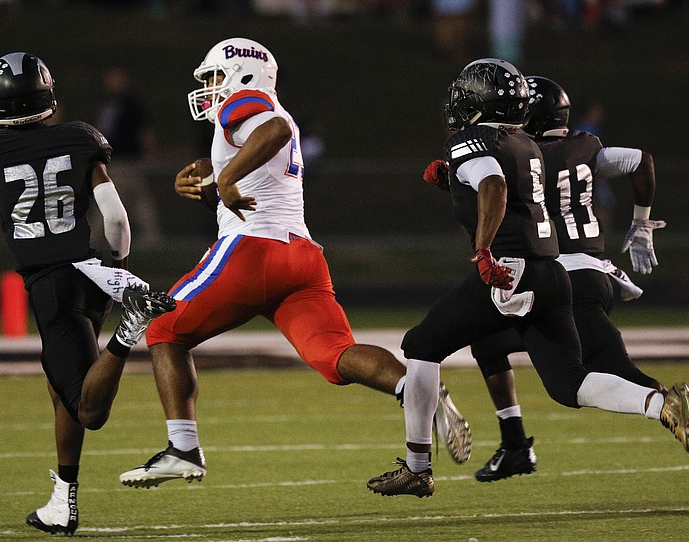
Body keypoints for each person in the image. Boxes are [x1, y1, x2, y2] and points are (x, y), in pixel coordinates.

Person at [118, 37, 472, 489]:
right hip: (300, 257)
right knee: (336, 356)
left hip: (253, 253)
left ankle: (183, 448)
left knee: (163, 327)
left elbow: (274, 131)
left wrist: (224, 177)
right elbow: (258, 178)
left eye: (213, 77)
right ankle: (417, 392)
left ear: (242, 73)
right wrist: (215, 191)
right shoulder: (253, 115)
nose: (208, 88)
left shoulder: (248, 101)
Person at [367, 58, 689, 498]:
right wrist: (453, 181)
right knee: (571, 384)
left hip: (511, 270)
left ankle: (417, 467)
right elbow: (510, 185)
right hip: (552, 272)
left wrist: (484, 249)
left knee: (421, 345)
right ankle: (660, 402)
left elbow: (495, 187)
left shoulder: (472, 139)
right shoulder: (526, 142)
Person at [0, 52, 177, 535]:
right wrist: (116, 269)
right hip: (92, 272)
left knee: (87, 408)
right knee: (62, 389)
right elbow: (115, 218)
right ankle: (63, 499)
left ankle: (129, 331)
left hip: (49, 284)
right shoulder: (80, 138)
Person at [468, 75, 689, 482]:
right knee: (488, 339)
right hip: (593, 276)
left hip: (557, 281)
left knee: (574, 384)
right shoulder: (584, 147)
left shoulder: (518, 155)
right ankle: (513, 445)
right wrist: (641, 224)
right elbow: (642, 161)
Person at [93, 66, 161, 244]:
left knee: (112, 198)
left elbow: (144, 132)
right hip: (113, 160)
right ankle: (151, 237)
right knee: (135, 200)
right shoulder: (109, 103)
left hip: (127, 159)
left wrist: (148, 154)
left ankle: (94, 238)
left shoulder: (131, 104)